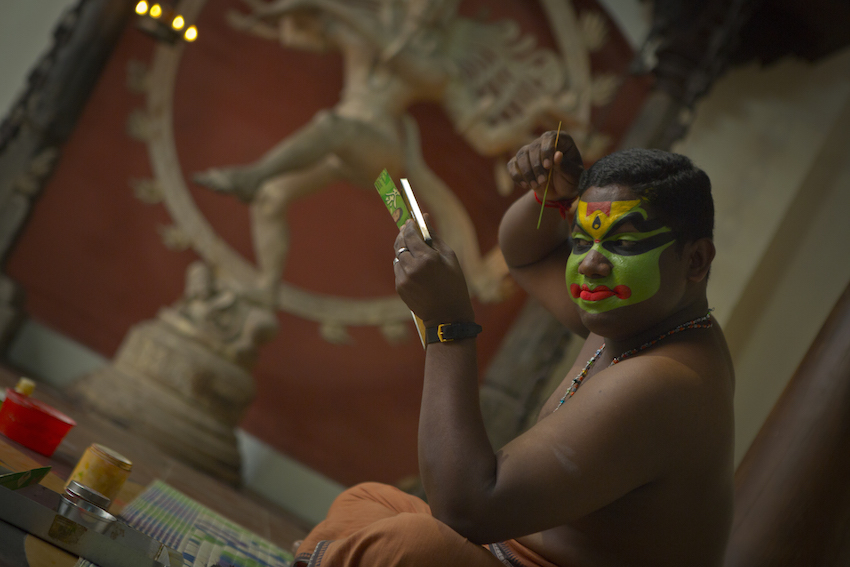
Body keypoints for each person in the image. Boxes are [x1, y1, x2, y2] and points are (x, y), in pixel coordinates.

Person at [292, 132, 735, 566]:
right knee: (366, 501)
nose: (592, 264)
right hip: (503, 550)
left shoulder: (666, 380)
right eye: (581, 242)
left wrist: (447, 325)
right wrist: (550, 196)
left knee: (409, 545)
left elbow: (466, 509)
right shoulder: (633, 315)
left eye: (622, 244)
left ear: (695, 260)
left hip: (500, 541)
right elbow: (526, 255)